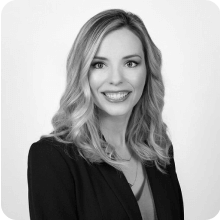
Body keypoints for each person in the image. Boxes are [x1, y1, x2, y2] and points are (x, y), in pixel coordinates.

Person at [27, 9, 184, 220]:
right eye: (99, 64)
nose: (116, 79)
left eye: (130, 63)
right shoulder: (52, 158)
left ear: (148, 70)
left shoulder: (159, 149)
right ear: (82, 73)